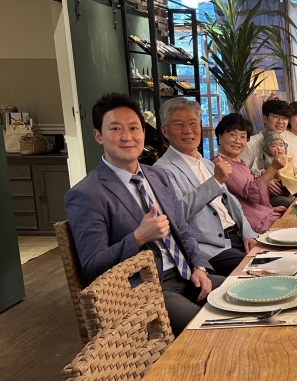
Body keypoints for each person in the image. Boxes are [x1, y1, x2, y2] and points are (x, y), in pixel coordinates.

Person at [64, 93, 224, 336]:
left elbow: (182, 230)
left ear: (143, 132)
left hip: (188, 275)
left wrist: (199, 266)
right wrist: (138, 237)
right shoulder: (86, 194)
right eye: (115, 129)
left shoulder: (157, 176)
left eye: (133, 128)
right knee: (210, 331)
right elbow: (92, 267)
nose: (127, 136)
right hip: (147, 289)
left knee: (246, 295)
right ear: (99, 136)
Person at [154, 98, 258, 277]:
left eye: (193, 123)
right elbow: (177, 213)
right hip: (211, 249)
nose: (188, 130)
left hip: (237, 239)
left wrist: (248, 234)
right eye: (179, 124)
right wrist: (215, 182)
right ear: (165, 131)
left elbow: (232, 203)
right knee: (262, 269)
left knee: (284, 258)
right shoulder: (161, 170)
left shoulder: (206, 163)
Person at [212, 114, 285, 233]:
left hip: (265, 216)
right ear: (220, 136)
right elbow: (253, 193)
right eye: (232, 135)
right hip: (254, 224)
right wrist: (273, 168)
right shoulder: (221, 164)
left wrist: (270, 209)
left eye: (243, 137)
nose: (238, 141)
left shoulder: (239, 162)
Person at [241, 99, 292, 169]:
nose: (280, 122)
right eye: (276, 117)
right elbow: (243, 172)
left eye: (285, 118)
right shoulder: (249, 144)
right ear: (265, 118)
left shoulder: (287, 144)